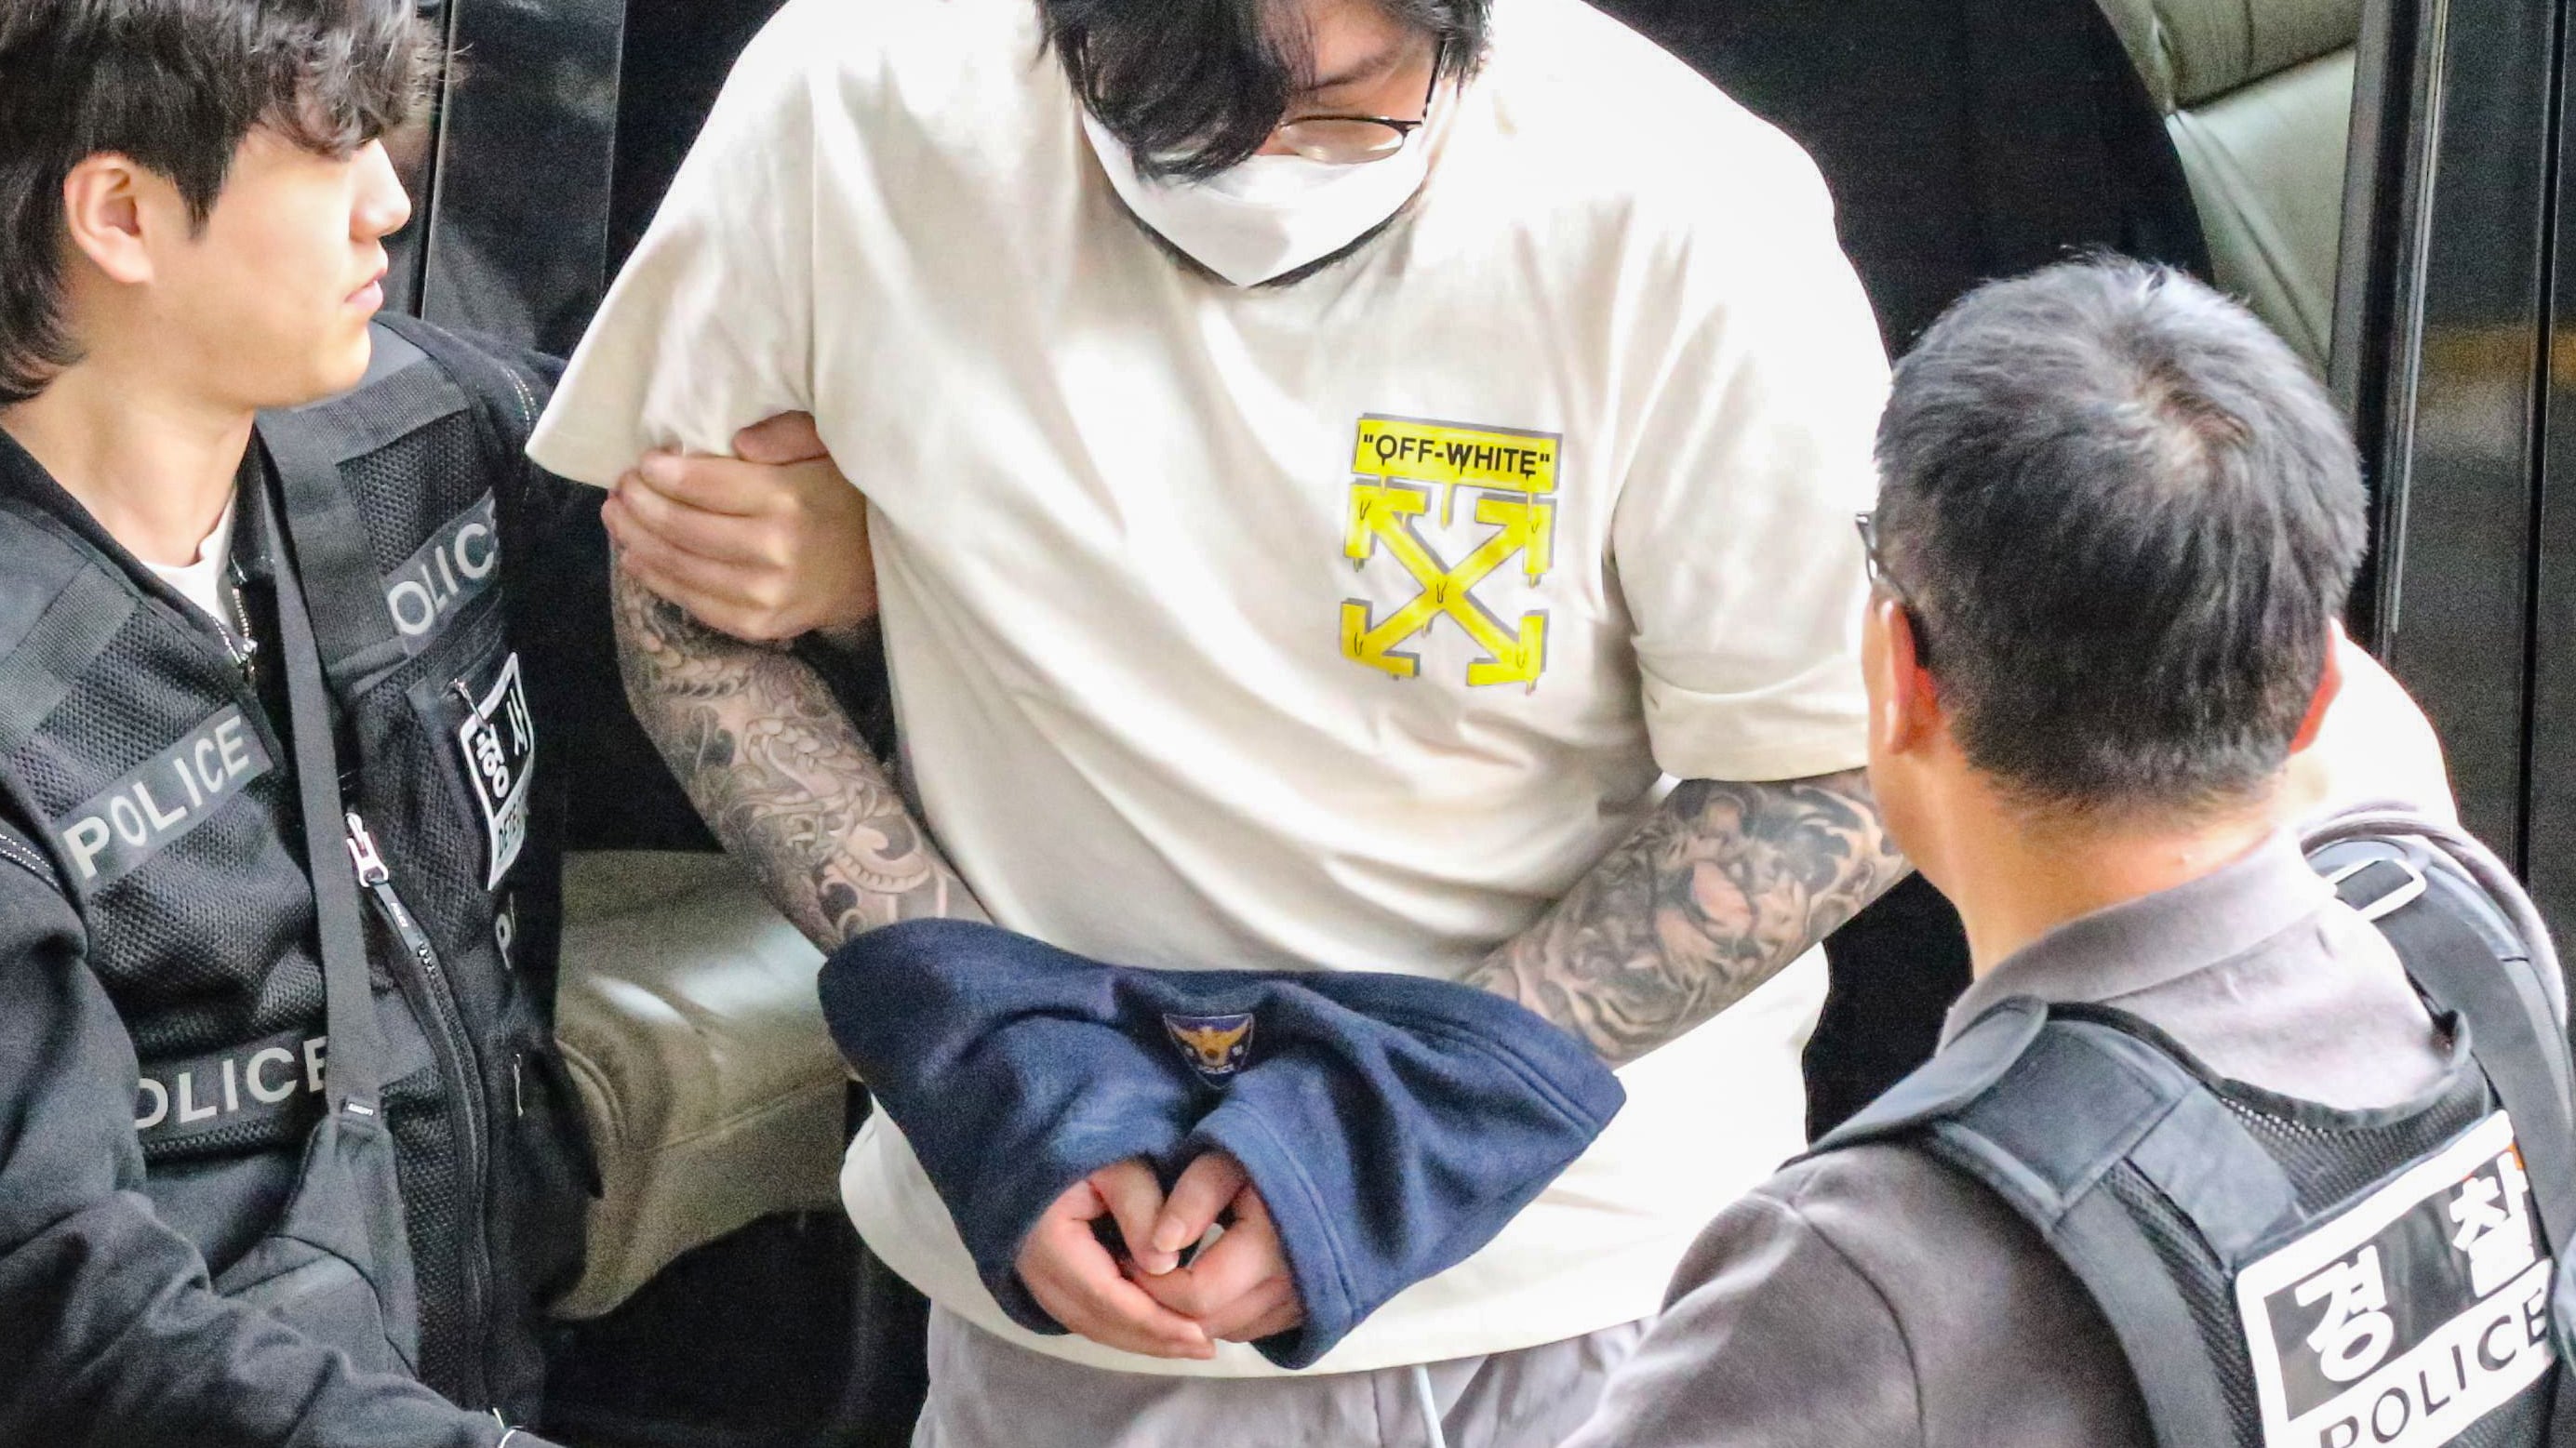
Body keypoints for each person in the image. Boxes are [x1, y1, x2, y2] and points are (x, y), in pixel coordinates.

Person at [528, 0, 1907, 1440]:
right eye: (1191, 107)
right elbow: (685, 613)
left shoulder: (1680, 206)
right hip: (1055, 1283)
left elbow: (1839, 767)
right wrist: (984, 1036)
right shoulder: (857, 103)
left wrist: (1415, 1115)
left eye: (1352, 100)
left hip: (1575, 1298)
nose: (1270, 163)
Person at [0, 2, 873, 1441]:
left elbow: (737, 601)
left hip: (488, 1359)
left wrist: (838, 573)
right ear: (123, 215)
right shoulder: (28, 700)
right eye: (331, 150)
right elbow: (61, 1293)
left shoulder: (420, 434)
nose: (390, 205)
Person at [1561, 259, 2571, 1448]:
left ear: (1901, 677)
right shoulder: (2458, 936)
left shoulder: (1868, 1272)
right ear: (2313, 693)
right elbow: (2364, 730)